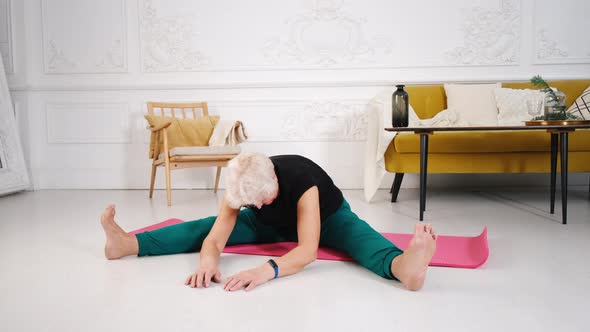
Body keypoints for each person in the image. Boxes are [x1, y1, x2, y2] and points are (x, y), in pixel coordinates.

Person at [100, 153, 437, 291]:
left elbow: (307, 251)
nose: (258, 204)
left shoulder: (303, 179)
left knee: (359, 236)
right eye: (252, 202)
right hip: (270, 227)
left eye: (263, 199)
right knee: (200, 226)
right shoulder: (241, 182)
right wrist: (208, 262)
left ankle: (402, 267)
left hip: (328, 218)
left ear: (274, 181)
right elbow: (215, 237)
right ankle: (128, 243)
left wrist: (263, 272)